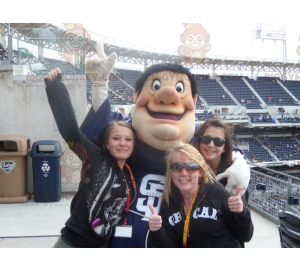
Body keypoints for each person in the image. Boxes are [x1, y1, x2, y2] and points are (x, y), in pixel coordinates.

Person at [80, 42, 250, 248]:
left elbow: (218, 144)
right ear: (135, 96)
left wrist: (240, 162)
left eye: (180, 88)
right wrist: (99, 86)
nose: (168, 95)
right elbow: (106, 128)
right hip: (128, 232)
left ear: (193, 101)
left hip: (173, 235)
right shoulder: (130, 138)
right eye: (156, 86)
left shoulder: (194, 142)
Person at [44, 68, 137, 248]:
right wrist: (56, 87)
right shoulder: (94, 157)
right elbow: (70, 131)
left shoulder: (131, 173)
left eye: (128, 139)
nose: (122, 143)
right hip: (72, 244)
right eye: (116, 138)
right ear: (107, 143)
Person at [148, 142, 253, 248]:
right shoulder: (168, 204)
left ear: (201, 172)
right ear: (171, 172)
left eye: (191, 167)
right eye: (177, 167)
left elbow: (245, 236)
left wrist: (241, 212)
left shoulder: (216, 192)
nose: (184, 173)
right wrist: (157, 231)